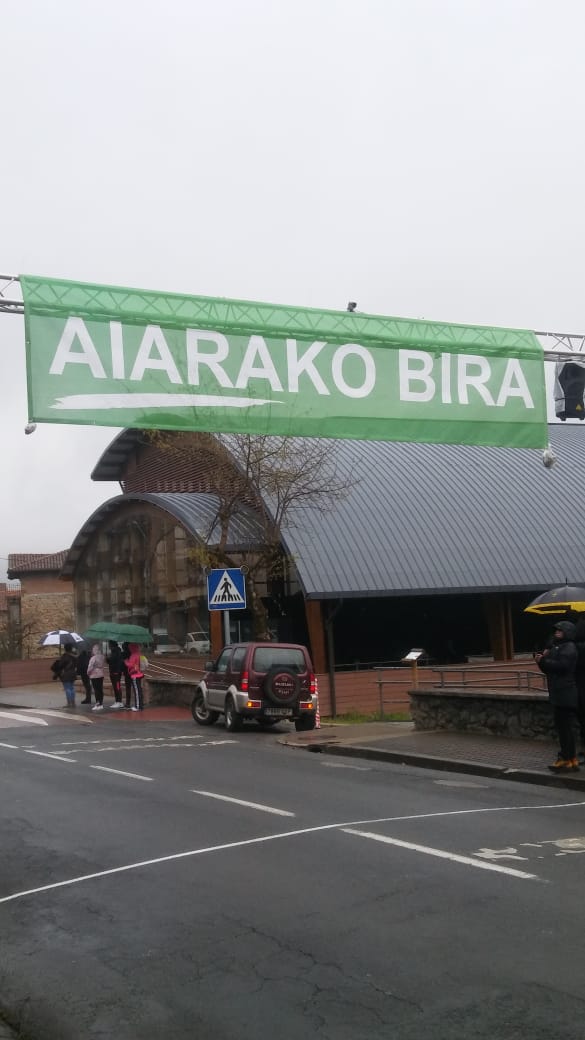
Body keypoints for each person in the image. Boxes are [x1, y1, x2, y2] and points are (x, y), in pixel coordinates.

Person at [535, 621, 579, 772]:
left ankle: (566, 758)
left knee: (565, 728)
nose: (557, 632)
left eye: (560, 630)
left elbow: (562, 667)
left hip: (565, 692)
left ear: (568, 631)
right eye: (556, 630)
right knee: (564, 728)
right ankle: (569, 758)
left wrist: (545, 660)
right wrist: (541, 661)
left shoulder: (569, 647)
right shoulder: (557, 647)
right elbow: (549, 669)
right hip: (559, 692)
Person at [55, 643, 78, 708]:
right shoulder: (74, 656)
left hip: (66, 673)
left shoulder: (64, 656)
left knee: (67, 688)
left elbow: (60, 665)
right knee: (72, 688)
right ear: (71, 648)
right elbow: (76, 664)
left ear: (65, 649)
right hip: (73, 673)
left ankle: (69, 703)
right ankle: (73, 702)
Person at [126, 643, 145, 711]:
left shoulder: (133, 655)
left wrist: (126, 662)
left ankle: (138, 706)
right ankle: (141, 705)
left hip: (135, 675)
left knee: (137, 691)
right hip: (140, 674)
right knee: (139, 690)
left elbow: (130, 665)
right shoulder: (140, 654)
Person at [87, 643, 106, 712]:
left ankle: (97, 704)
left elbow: (90, 667)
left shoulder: (93, 658)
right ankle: (101, 703)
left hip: (94, 675)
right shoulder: (102, 657)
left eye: (93, 649)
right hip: (101, 674)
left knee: (96, 690)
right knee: (100, 689)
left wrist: (88, 673)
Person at [107, 641, 124, 709]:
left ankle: (119, 702)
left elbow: (113, 661)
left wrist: (108, 659)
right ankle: (117, 701)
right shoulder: (115, 651)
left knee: (117, 687)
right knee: (116, 687)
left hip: (115, 672)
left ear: (111, 645)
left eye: (109, 644)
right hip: (115, 671)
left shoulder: (115, 652)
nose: (108, 646)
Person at [121, 642, 133, 708]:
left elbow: (123, 664)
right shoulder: (132, 653)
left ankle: (128, 703)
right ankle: (139, 701)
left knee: (128, 688)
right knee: (135, 687)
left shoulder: (123, 654)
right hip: (134, 672)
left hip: (127, 672)